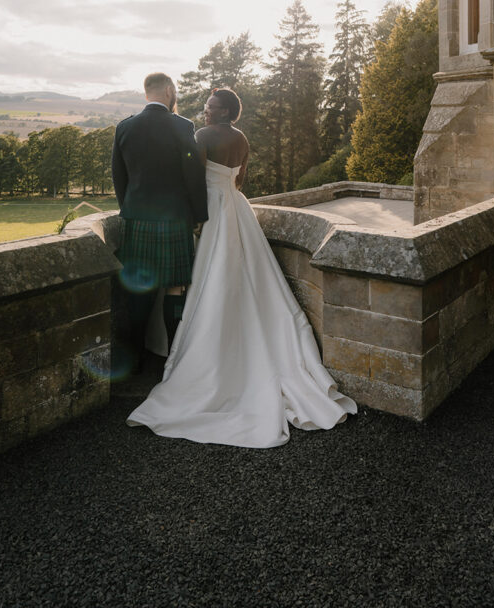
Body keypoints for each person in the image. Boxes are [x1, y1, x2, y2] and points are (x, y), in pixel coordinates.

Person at [127, 87, 357, 446]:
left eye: (211, 107)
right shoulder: (241, 137)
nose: (205, 111)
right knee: (245, 272)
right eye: (205, 106)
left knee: (209, 276)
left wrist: (195, 215)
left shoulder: (202, 136)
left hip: (213, 209)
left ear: (225, 112)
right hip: (236, 205)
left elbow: (192, 178)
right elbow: (240, 180)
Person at [111, 72, 208, 374]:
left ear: (146, 93)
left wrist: (130, 208)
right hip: (174, 219)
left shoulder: (124, 127)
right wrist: (199, 216)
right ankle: (174, 356)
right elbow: (193, 177)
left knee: (139, 290)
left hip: (137, 219)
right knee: (175, 287)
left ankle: (136, 358)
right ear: (169, 91)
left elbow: (119, 176)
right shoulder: (182, 126)